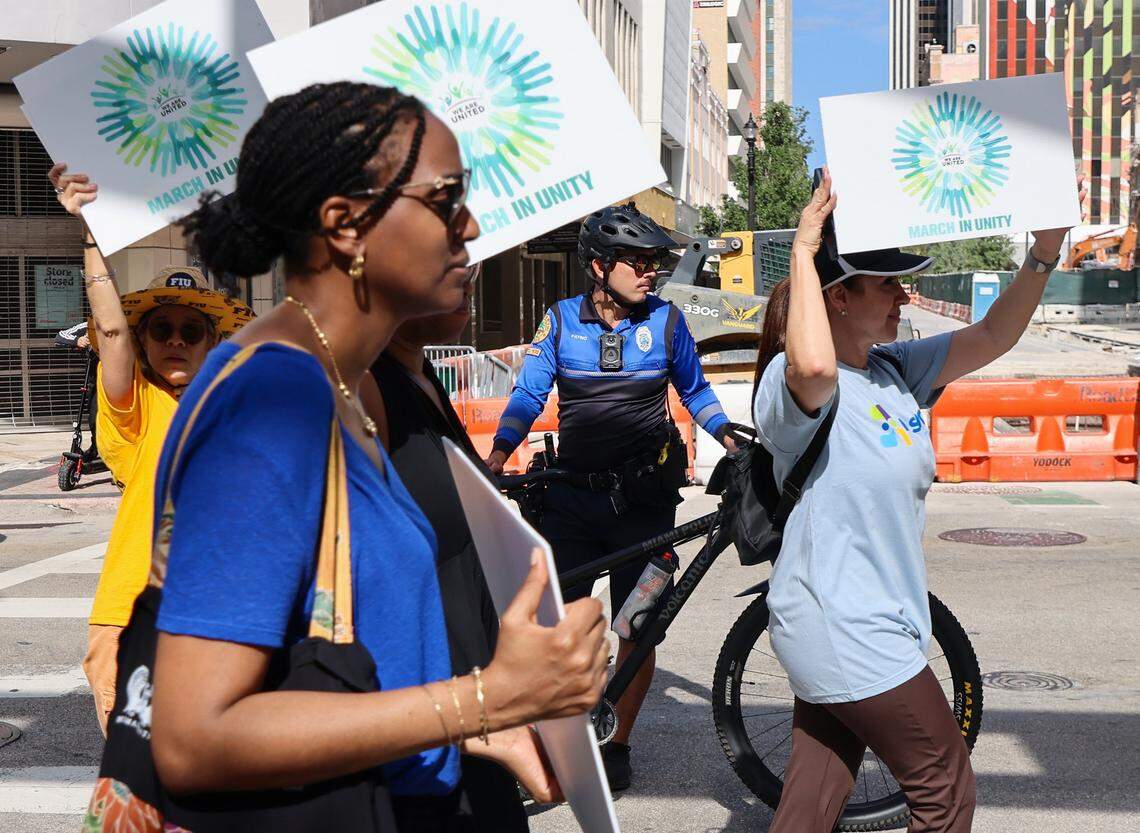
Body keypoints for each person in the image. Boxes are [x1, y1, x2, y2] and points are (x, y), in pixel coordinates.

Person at [144, 82, 607, 830]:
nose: (472, 224)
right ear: (346, 224)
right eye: (448, 198)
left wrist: (487, 722)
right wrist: (486, 696)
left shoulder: (339, 385)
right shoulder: (272, 402)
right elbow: (194, 736)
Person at [753, 170, 1078, 832]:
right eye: (885, 284)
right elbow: (811, 367)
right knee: (944, 787)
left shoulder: (894, 370)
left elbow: (991, 336)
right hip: (845, 626)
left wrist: (1042, 253)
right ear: (837, 297)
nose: (904, 294)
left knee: (813, 801)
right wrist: (804, 247)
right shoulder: (791, 389)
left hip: (870, 626)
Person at [485, 203, 736, 791]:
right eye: (639, 261)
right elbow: (527, 395)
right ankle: (551, 735)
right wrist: (497, 455)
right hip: (570, 501)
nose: (652, 272)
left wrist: (729, 437)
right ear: (599, 266)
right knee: (551, 627)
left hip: (645, 506)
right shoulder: (561, 321)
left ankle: (616, 740)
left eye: (656, 261)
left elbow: (697, 394)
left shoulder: (668, 323)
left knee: (638, 627)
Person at [49, 163, 253, 734]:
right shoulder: (135, 408)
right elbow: (110, 331)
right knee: (139, 794)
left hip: (223, 620)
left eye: (191, 331)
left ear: (213, 342)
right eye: (161, 330)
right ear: (145, 342)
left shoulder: (233, 412)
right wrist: (89, 229)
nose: (175, 341)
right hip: (133, 615)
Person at [370, 262, 532, 829]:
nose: (471, 268)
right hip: (427, 721)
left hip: (474, 702)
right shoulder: (365, 389)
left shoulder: (421, 377)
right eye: (448, 247)